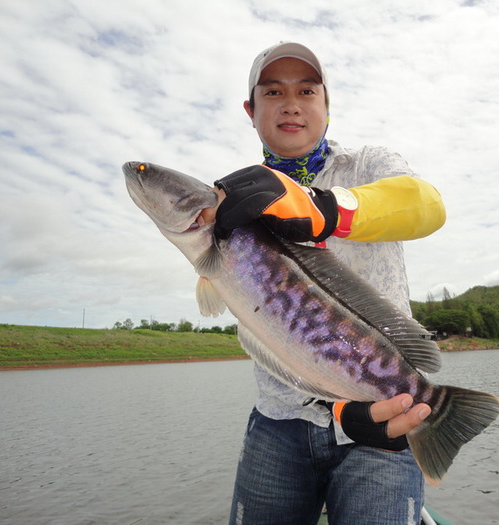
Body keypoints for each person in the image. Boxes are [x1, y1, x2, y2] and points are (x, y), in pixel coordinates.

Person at [204, 42, 446, 525]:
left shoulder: (369, 165)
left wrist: (325, 208)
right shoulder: (232, 202)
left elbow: (427, 205)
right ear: (251, 112)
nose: (291, 103)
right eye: (273, 91)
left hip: (383, 419)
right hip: (278, 423)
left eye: (307, 90)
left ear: (326, 106)